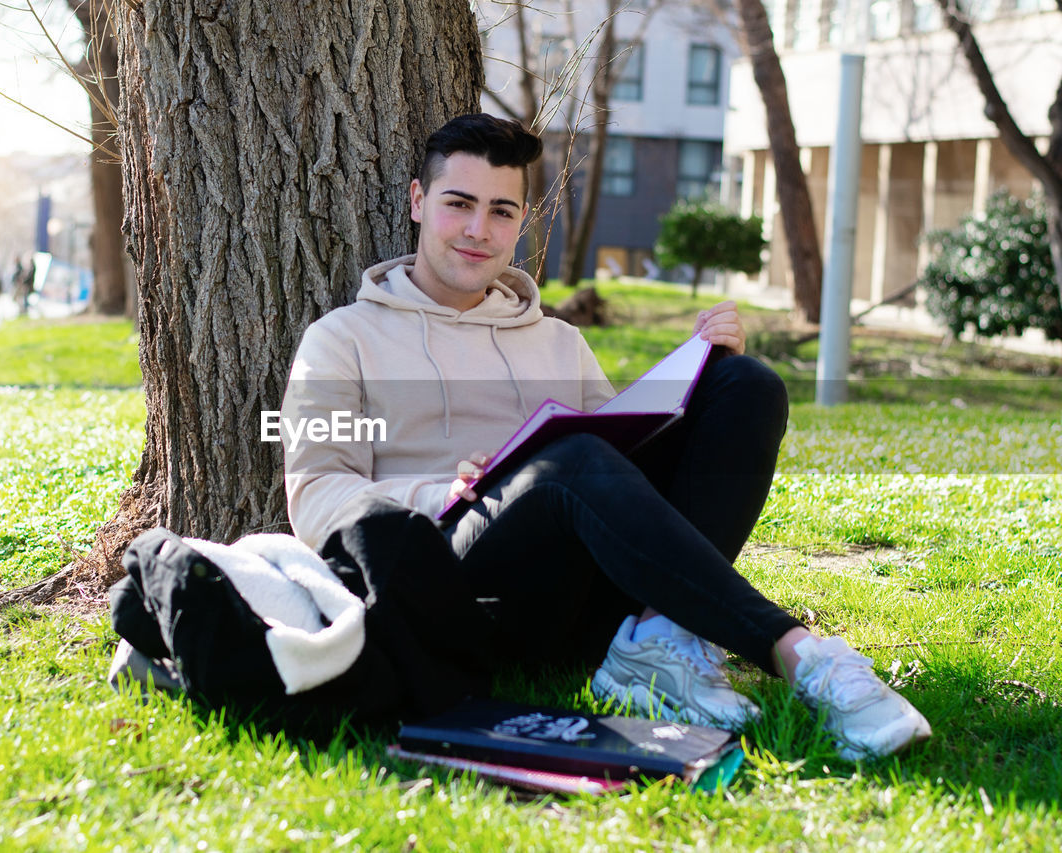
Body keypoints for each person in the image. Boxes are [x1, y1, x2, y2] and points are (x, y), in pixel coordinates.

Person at [280, 114, 931, 761]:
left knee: (746, 384)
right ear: (420, 202)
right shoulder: (343, 340)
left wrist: (700, 374)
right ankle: (799, 655)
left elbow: (623, 466)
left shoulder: (557, 340)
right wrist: (437, 491)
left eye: (502, 211)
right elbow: (316, 494)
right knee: (569, 462)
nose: (480, 230)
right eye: (459, 204)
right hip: (455, 590)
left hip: (580, 599)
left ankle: (659, 641)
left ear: (523, 219)